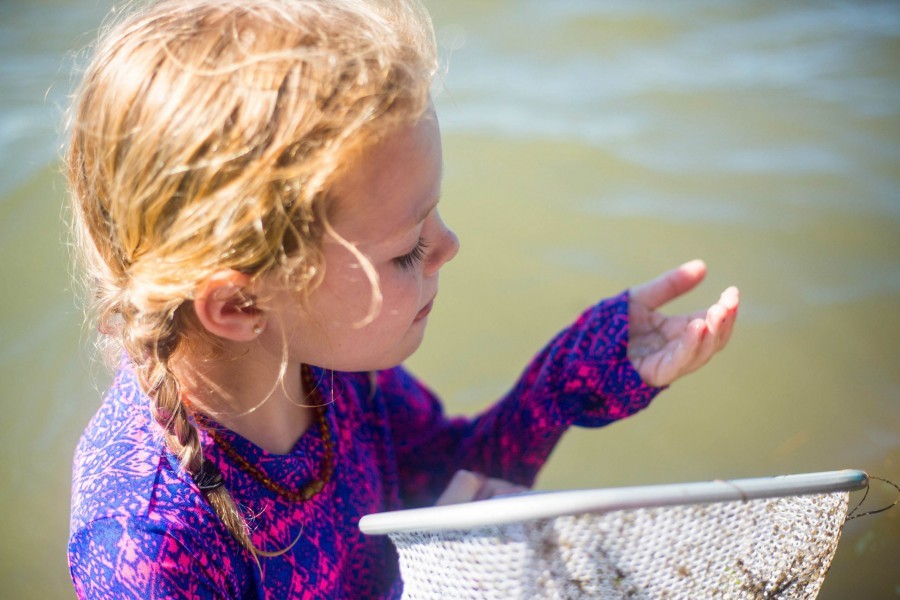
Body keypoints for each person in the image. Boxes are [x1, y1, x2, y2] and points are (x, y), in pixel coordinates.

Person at [65, 0, 740, 598]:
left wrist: (566, 380)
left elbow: (448, 482)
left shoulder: (334, 368)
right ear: (241, 306)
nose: (448, 245)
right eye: (406, 248)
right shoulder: (146, 548)